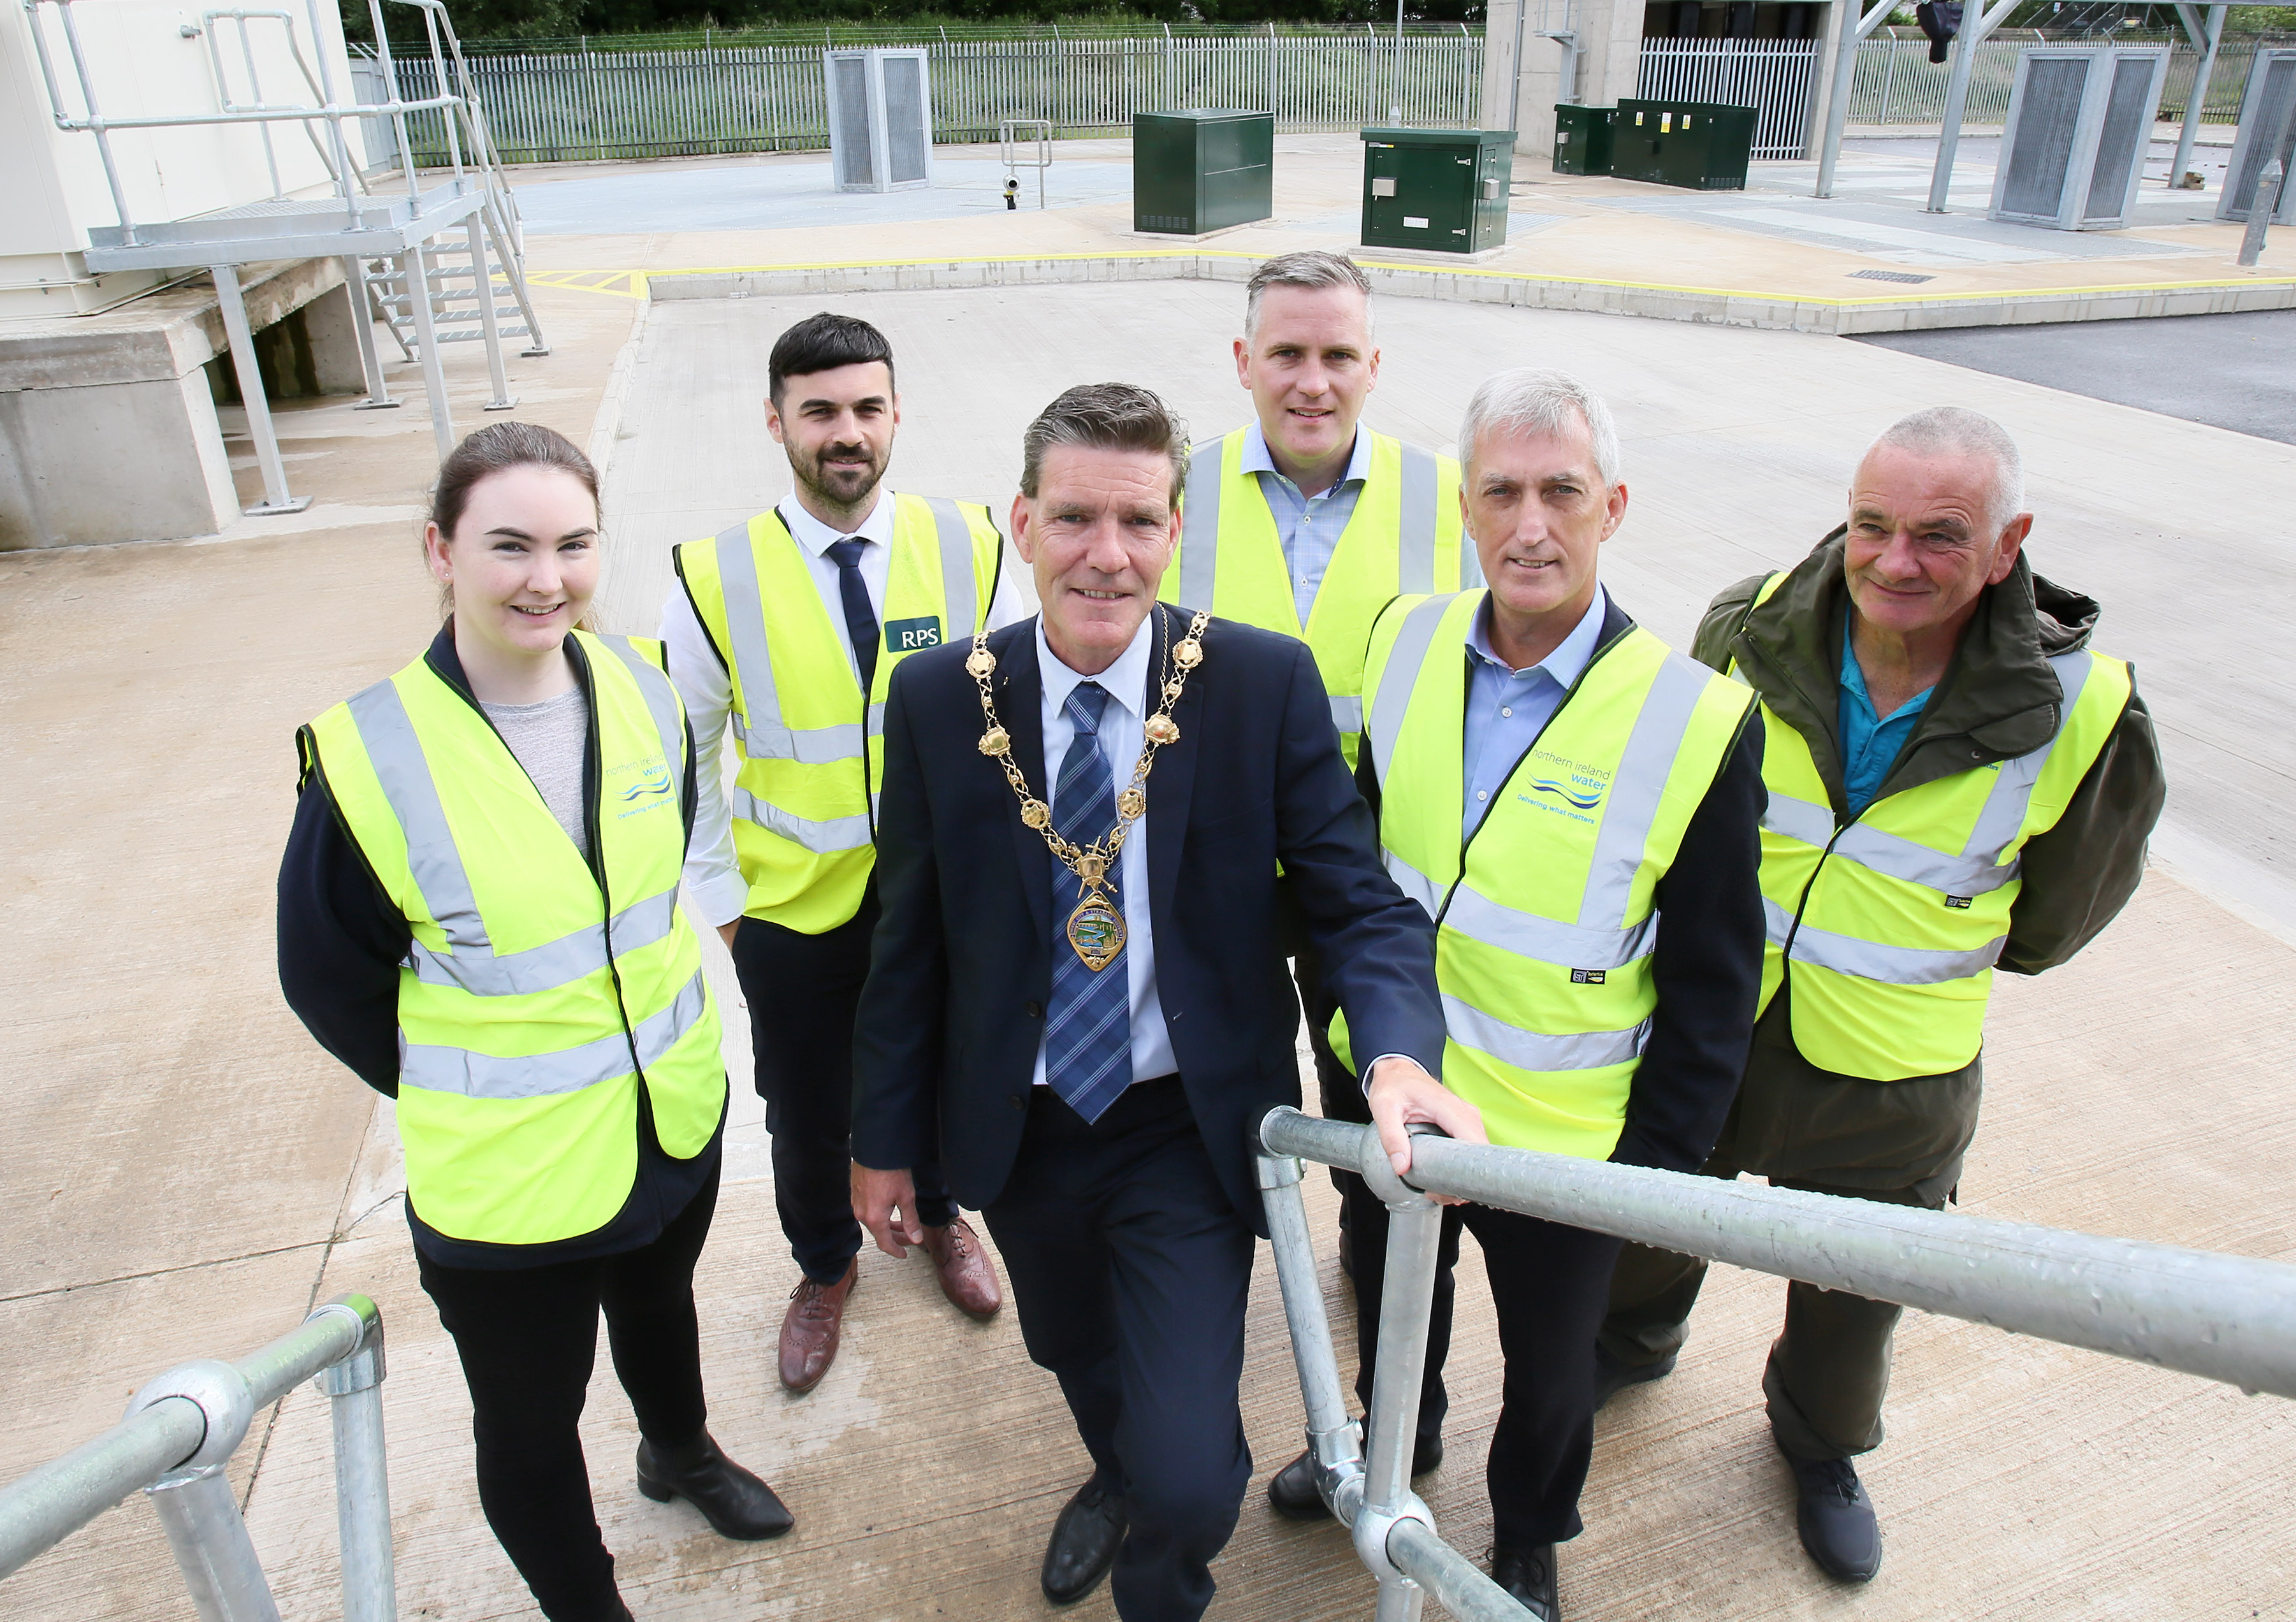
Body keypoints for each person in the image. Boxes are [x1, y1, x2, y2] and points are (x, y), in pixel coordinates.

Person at [848, 382, 1486, 1622]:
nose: (1106, 555)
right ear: (1019, 524)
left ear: (1176, 529)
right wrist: (880, 1144)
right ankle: (1109, 1471)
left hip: (1177, 1127)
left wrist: (1397, 1053)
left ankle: (1159, 1560)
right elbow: (907, 945)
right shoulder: (939, 698)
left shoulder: (1257, 685)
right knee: (1070, 1352)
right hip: (1019, 1123)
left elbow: (1358, 902)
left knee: (1194, 1480)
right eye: (1075, 519)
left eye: (1138, 523)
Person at [1594, 405, 2165, 1586]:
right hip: (1713, 1023)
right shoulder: (1746, 628)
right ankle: (1633, 1342)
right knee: (1655, 1209)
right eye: (1872, 526)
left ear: (2007, 545)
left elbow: (2057, 916)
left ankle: (1818, 1443)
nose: (1894, 562)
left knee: (1856, 1295)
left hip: (1895, 1068)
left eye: (1938, 536)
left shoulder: (2086, 706)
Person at [1261, 368, 1769, 1622]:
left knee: (1551, 1376)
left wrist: (1653, 1166)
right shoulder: (1410, 636)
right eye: (1501, 492)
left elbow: (1714, 979)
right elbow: (1362, 847)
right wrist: (1341, 1019)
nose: (1529, 524)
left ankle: (1530, 1529)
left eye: (1561, 492)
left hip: (1563, 1141)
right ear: (1465, 507)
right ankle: (1401, 1442)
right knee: (1392, 1301)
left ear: (1614, 508)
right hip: (1395, 1094)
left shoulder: (1694, 719)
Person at [279, 422, 788, 1622]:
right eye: (507, 544)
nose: (545, 578)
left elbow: (656, 889)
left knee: (662, 1310)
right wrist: (464, 1078)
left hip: (670, 1115)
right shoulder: (370, 753)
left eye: (572, 544)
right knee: (529, 1417)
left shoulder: (647, 693)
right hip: (508, 1175)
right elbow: (326, 978)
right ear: (438, 550)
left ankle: (680, 1452)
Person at [661, 312, 1029, 1394]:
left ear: (896, 415)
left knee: (948, 1071)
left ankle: (946, 1214)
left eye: (867, 407)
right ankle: (824, 1265)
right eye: (818, 410)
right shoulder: (712, 573)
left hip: (941, 901)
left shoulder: (970, 545)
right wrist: (727, 906)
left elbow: (1020, 710)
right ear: (775, 421)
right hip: (790, 913)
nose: (845, 432)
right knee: (808, 1107)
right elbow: (689, 754)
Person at [1161, 249, 1482, 1259]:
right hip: (1217, 868)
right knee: (1215, 1075)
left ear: (1374, 364)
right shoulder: (1178, 492)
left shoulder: (1447, 497)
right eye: (1287, 352)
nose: (1313, 381)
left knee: (1368, 1077)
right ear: (1242, 359)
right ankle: (1215, 1244)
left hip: (1368, 874)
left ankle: (1365, 1228)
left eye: (1337, 354)